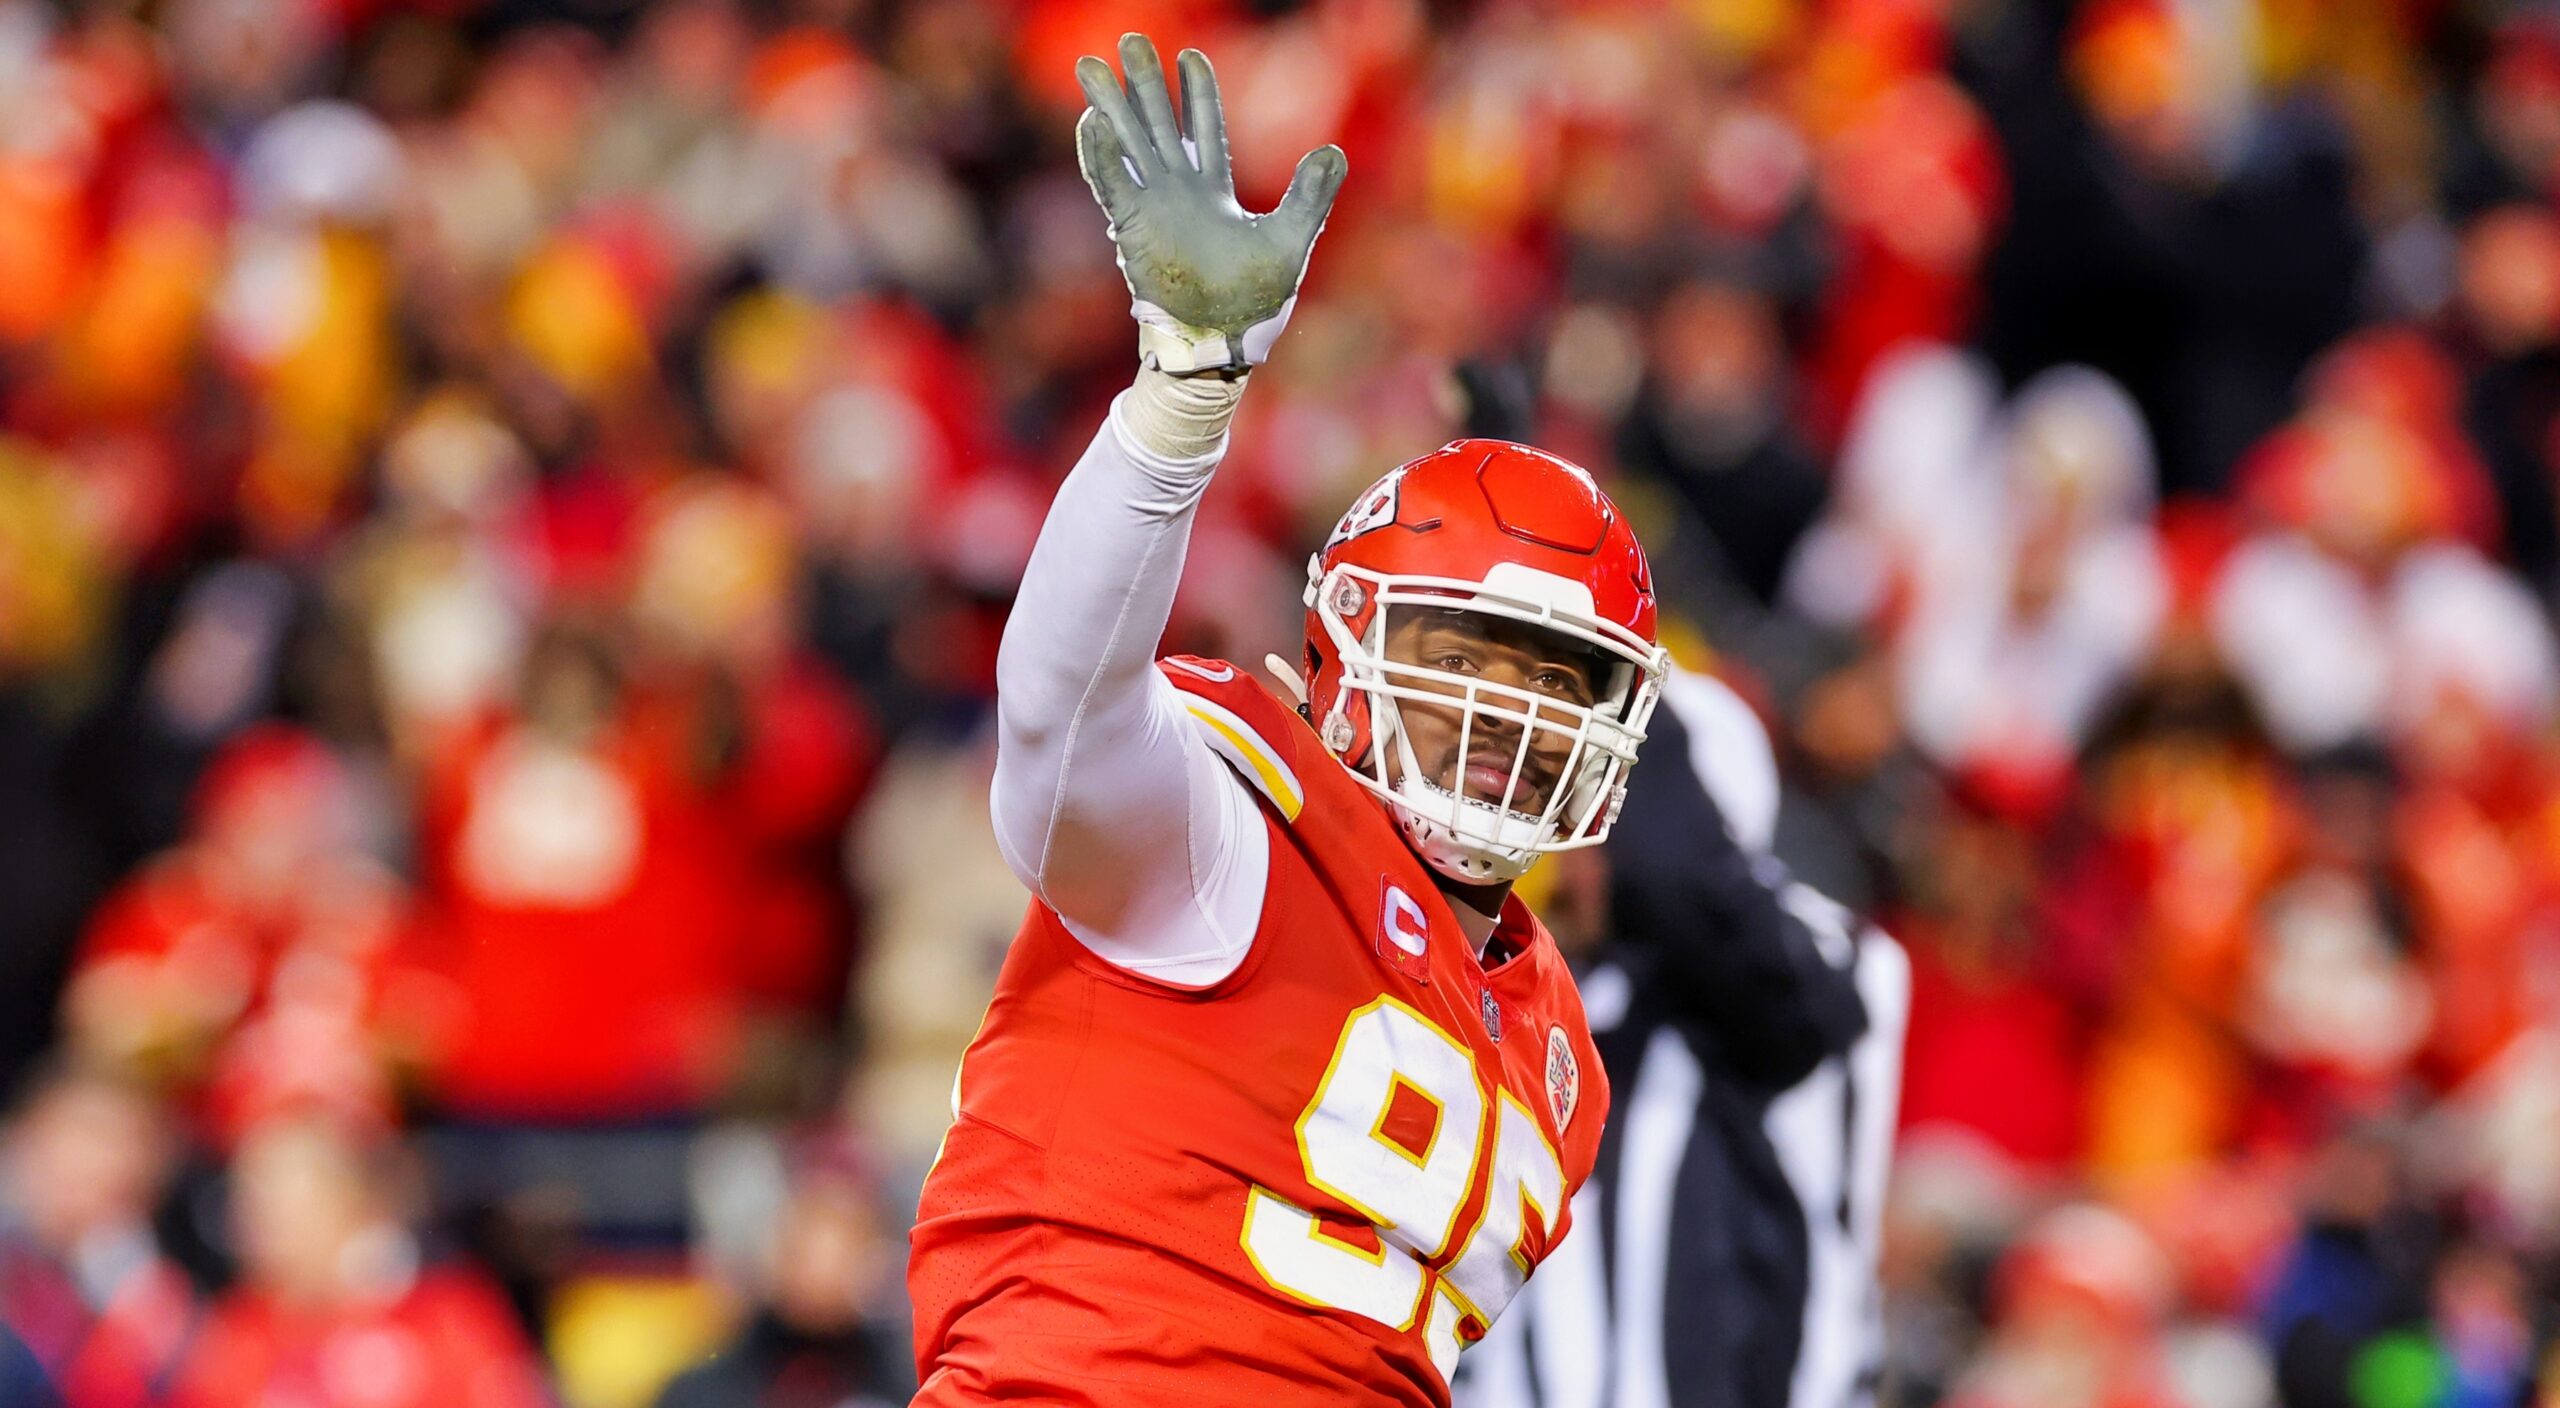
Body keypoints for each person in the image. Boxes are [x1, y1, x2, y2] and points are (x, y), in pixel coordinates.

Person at [905, 33, 1671, 1408]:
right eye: (1471, 656)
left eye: (1561, 679)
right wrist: (1182, 394)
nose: (1512, 712)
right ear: (1351, 645)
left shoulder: (1560, 1054)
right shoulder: (1240, 826)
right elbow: (1056, 714)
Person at [1456, 667, 1907, 1408]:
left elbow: (1683, 878)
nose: (1573, 862)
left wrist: (1610, 676)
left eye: (1602, 817)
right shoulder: (1570, 992)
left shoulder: (1832, 964)